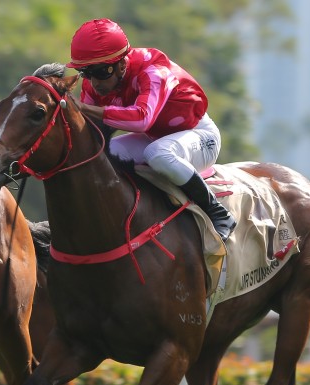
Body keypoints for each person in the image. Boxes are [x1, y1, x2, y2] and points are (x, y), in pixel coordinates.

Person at [66, 18, 236, 241]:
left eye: (101, 72)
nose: (94, 82)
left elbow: (142, 120)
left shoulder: (153, 69)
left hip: (200, 136)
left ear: (121, 64)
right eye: (86, 73)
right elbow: (91, 132)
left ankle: (219, 214)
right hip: (155, 138)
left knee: (158, 153)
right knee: (105, 154)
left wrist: (87, 108)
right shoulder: (95, 84)